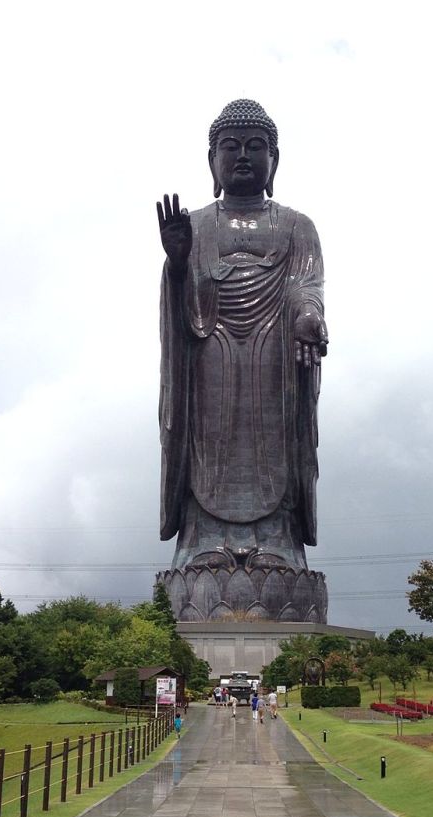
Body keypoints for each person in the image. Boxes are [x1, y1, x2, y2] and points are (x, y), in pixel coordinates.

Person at [157, 100, 328, 588]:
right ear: (212, 160)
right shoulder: (194, 225)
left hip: (274, 356)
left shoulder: (296, 226)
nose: (244, 157)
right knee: (208, 440)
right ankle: (201, 542)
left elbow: (306, 284)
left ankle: (278, 543)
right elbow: (181, 303)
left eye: (256, 146)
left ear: (275, 159)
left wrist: (309, 316)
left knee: (275, 439)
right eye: (231, 147)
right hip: (209, 350)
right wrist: (176, 263)